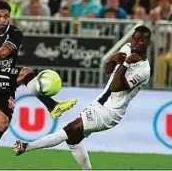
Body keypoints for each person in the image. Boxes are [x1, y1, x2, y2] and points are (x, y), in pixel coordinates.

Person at [13, 26, 151, 170]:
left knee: (69, 129)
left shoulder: (143, 71)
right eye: (134, 38)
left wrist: (126, 63)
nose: (135, 42)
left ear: (148, 43)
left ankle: (26, 146)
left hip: (111, 112)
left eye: (140, 40)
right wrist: (112, 59)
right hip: (99, 103)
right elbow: (108, 70)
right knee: (73, 140)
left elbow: (115, 86)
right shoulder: (127, 47)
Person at [0, 0, 77, 170]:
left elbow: (3, 53)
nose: (2, 20)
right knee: (25, 72)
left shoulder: (15, 33)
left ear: (10, 17)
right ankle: (52, 106)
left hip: (6, 78)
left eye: (6, 16)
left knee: (2, 124)